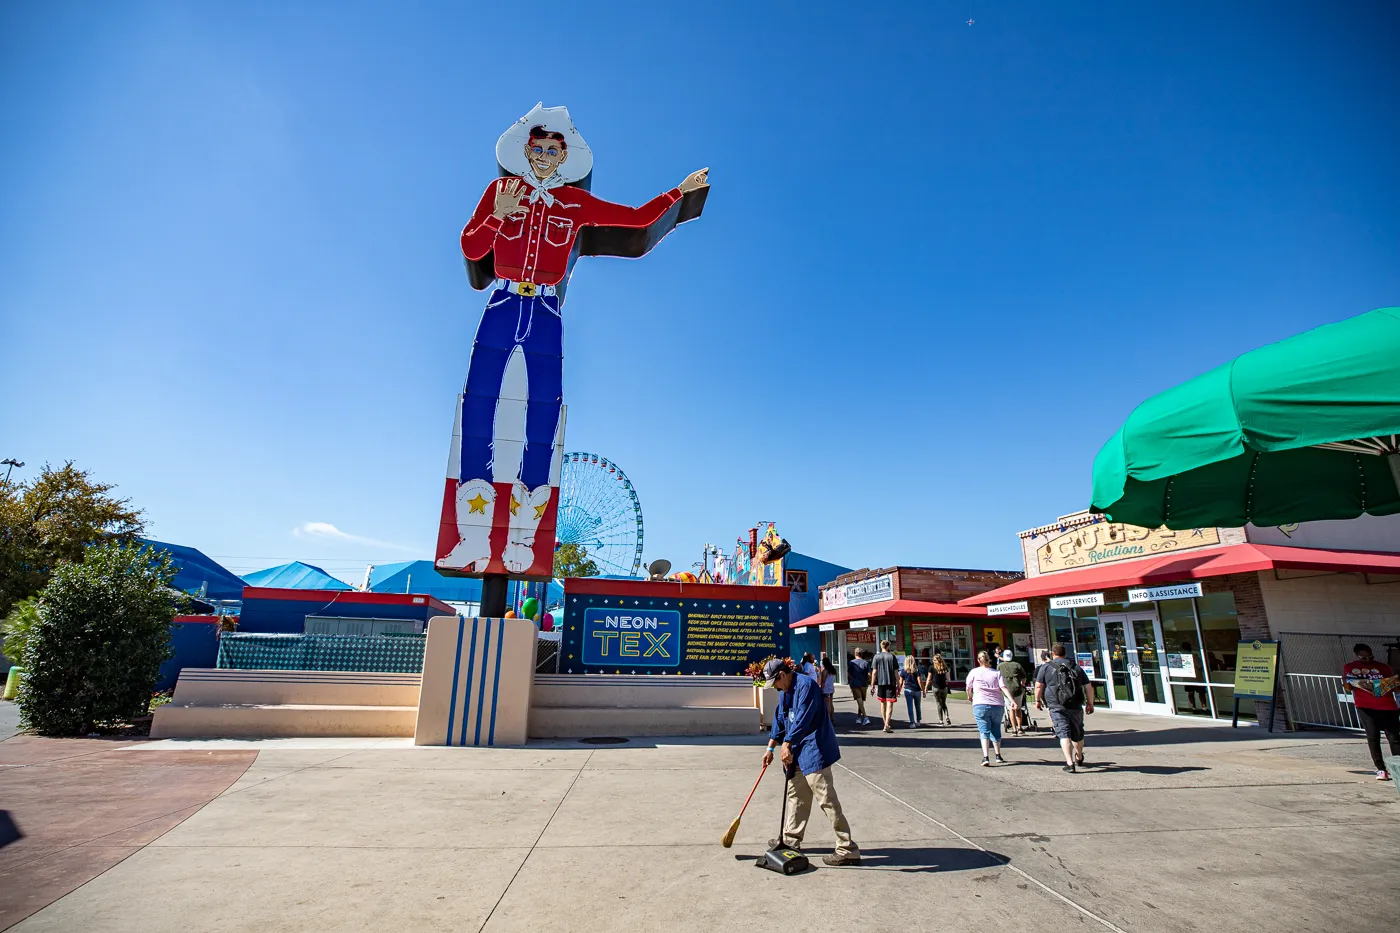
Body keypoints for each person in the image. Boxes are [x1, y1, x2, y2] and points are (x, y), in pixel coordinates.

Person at [761, 658, 862, 865]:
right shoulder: (785, 692)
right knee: (796, 795)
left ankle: (847, 847)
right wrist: (771, 747)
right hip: (797, 750)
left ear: (782, 675)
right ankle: (790, 840)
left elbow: (803, 720)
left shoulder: (805, 686)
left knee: (826, 799)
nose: (776, 688)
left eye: (776, 683)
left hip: (815, 749)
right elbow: (780, 720)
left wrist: (787, 744)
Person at [1342, 643, 1400, 780]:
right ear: (1357, 655)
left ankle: (1398, 767)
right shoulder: (1350, 667)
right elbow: (1348, 688)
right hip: (1365, 706)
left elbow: (1396, 689)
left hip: (1387, 706)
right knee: (1373, 737)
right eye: (1364, 658)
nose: (1368, 660)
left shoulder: (1384, 667)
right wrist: (1348, 680)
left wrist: (1394, 683)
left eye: (1370, 657)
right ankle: (1381, 769)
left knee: (1395, 738)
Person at [1035, 643, 1095, 773]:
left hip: (1056, 704)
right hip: (1075, 704)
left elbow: (1039, 686)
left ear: (1053, 654)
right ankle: (1079, 756)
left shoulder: (1045, 667)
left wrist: (1037, 700)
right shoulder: (1075, 667)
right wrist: (1090, 703)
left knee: (1063, 733)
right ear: (1065, 653)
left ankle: (1069, 762)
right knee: (1077, 733)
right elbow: (1088, 687)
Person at [965, 650, 1013, 765]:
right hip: (997, 704)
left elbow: (968, 687)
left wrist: (969, 696)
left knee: (984, 731)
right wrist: (1011, 700)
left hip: (980, 704)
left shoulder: (974, 672)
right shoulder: (996, 673)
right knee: (996, 729)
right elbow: (1003, 687)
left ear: (978, 660)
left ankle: (986, 757)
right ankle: (998, 755)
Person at [871, 640, 900, 733]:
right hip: (890, 683)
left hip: (881, 683)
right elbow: (896, 672)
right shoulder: (892, 656)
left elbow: (874, 672)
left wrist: (872, 684)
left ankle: (885, 724)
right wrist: (899, 683)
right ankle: (887, 724)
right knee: (890, 703)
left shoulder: (876, 657)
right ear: (888, 646)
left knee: (882, 703)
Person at [998, 649, 1028, 736]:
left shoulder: (1000, 666)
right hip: (1017, 689)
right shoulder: (1017, 665)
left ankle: (1014, 729)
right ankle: (1020, 728)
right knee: (1018, 709)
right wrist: (1022, 684)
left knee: (1011, 709)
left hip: (1007, 691)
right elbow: (1024, 677)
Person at [1180, 641, 1208, 713]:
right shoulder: (1194, 656)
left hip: (1187, 678)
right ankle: (1204, 707)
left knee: (1191, 693)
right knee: (1201, 693)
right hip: (1197, 678)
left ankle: (1193, 708)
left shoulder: (1180, 657)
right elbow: (1200, 665)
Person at [847, 648, 871, 725]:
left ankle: (866, 717)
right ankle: (859, 718)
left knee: (859, 701)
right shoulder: (866, 663)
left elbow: (849, 674)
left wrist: (850, 682)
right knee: (861, 702)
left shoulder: (851, 663)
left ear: (855, 654)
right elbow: (869, 674)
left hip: (855, 683)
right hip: (864, 684)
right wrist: (869, 682)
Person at [899, 655, 923, 727]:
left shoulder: (903, 671)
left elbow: (900, 682)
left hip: (908, 690)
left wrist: (899, 690)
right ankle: (918, 721)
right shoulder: (916, 670)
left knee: (910, 707)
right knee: (918, 706)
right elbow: (919, 681)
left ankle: (912, 722)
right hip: (917, 690)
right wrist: (923, 690)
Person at [929, 653, 951, 725]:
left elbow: (929, 678)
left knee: (938, 703)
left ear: (935, 660)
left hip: (935, 687)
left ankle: (941, 720)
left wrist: (926, 687)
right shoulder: (945, 667)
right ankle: (947, 716)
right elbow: (948, 679)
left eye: (934, 660)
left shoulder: (932, 667)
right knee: (943, 702)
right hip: (944, 687)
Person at [821, 654, 838, 719]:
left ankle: (828, 717)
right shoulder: (833, 670)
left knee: (827, 703)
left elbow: (823, 681)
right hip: (831, 688)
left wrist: (822, 688)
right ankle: (832, 717)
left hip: (826, 689)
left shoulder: (825, 671)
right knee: (831, 703)